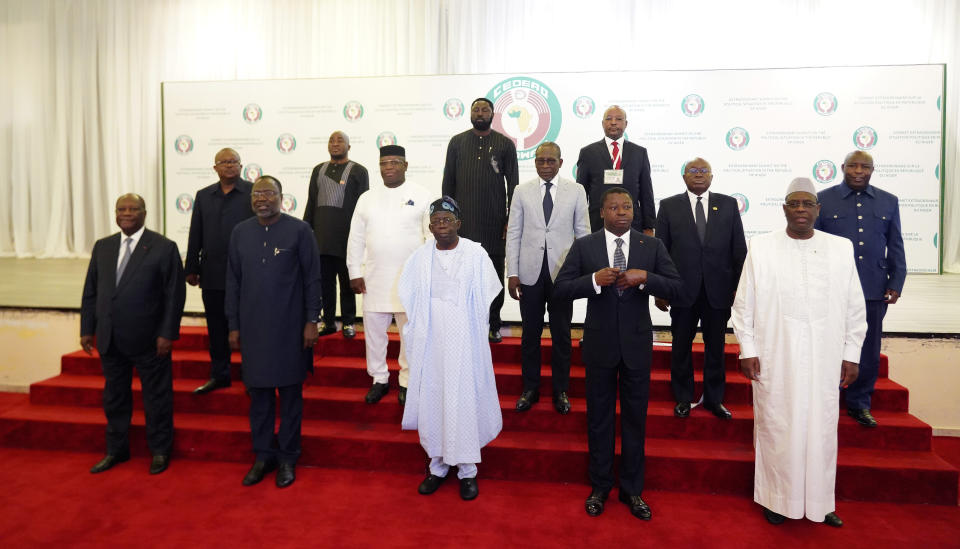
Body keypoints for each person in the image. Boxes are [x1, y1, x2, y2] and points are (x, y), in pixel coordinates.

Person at [732, 177, 867, 527]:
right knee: (777, 425)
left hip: (825, 356)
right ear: (785, 209)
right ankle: (777, 500)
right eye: (795, 203)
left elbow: (854, 304)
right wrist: (747, 348)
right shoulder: (761, 247)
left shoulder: (841, 247)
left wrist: (852, 352)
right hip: (776, 354)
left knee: (822, 428)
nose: (802, 209)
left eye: (808, 203)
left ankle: (822, 503)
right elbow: (744, 303)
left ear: (818, 209)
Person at [554, 187, 683, 520]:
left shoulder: (650, 245)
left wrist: (647, 278)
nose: (622, 212)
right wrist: (593, 281)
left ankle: (632, 490)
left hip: (637, 348)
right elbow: (561, 290)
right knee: (599, 421)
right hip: (599, 346)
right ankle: (600, 487)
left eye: (627, 206)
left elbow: (677, 287)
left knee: (635, 421)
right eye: (615, 207)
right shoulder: (585, 246)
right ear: (602, 212)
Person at [399, 197, 503, 501]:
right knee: (435, 398)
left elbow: (487, 294)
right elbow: (410, 296)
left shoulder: (475, 254)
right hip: (431, 340)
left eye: (447, 219)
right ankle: (438, 466)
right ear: (430, 227)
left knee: (463, 400)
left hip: (465, 339)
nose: (441, 225)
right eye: (436, 221)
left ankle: (468, 470)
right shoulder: (419, 257)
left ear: (459, 223)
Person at [226, 175, 321, 488]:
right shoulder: (240, 233)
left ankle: (288, 458)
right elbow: (233, 283)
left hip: (291, 330)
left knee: (291, 397)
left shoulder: (300, 230)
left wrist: (311, 321)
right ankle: (263, 456)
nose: (261, 199)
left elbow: (312, 280)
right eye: (256, 194)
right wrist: (234, 325)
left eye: (268, 193)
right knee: (260, 398)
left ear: (282, 197)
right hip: (253, 330)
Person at [81, 194, 186, 475]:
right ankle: (116, 450)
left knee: (157, 398)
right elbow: (91, 291)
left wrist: (167, 333)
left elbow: (174, 296)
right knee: (114, 398)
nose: (127, 213)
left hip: (150, 340)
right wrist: (87, 328)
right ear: (115, 213)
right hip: (110, 338)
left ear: (144, 213)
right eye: (121, 209)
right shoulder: (103, 246)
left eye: (133, 209)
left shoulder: (163, 247)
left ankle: (160, 451)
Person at [814, 151, 906, 428]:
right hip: (831, 288)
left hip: (872, 286)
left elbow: (896, 244)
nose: (858, 171)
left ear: (872, 170)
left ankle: (858, 403)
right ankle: (825, 399)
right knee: (826, 343)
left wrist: (896, 281)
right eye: (852, 165)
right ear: (842, 168)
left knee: (867, 347)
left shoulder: (889, 201)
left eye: (864, 166)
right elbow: (813, 245)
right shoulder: (822, 199)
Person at [655, 158, 747, 419]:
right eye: (692, 171)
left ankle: (714, 399)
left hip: (718, 291)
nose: (698, 175)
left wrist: (738, 288)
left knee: (715, 347)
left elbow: (738, 250)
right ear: (684, 176)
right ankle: (683, 397)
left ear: (712, 176)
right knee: (681, 346)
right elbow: (660, 251)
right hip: (682, 290)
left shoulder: (728, 204)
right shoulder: (669, 205)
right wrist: (661, 289)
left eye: (703, 170)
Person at [505, 142, 589, 414]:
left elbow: (583, 234)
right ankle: (530, 388)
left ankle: (560, 389)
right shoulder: (521, 191)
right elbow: (514, 233)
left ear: (561, 163)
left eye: (550, 161)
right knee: (530, 334)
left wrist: (580, 274)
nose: (544, 165)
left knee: (562, 335)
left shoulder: (576, 191)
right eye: (540, 160)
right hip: (529, 274)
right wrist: (513, 273)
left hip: (563, 275)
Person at [347, 145, 432, 406]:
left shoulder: (422, 194)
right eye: (385, 163)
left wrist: (427, 273)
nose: (390, 167)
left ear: (406, 165)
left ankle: (406, 381)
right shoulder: (366, 198)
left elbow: (430, 237)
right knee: (374, 333)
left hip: (410, 279)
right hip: (374, 277)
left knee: (410, 334)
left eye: (395, 162)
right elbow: (356, 238)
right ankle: (379, 379)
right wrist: (354, 271)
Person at [441, 97, 519, 343]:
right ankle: (464, 323)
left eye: (485, 109)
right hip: (462, 225)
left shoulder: (505, 144)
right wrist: (448, 218)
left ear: (493, 114)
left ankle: (493, 324)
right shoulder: (457, 142)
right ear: (470, 113)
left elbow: (513, 185)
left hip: (494, 224)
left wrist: (510, 219)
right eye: (476, 109)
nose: (480, 112)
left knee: (493, 276)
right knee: (462, 275)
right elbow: (448, 183)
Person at [185, 148, 254, 394]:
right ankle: (220, 374)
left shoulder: (252, 193)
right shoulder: (204, 196)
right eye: (224, 162)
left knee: (248, 326)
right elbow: (196, 233)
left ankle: (252, 376)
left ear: (241, 165)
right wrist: (191, 267)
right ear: (215, 167)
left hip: (246, 274)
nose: (229, 166)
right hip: (212, 273)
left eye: (234, 161)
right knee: (216, 327)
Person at [303, 131, 369, 339]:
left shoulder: (359, 171)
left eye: (340, 140)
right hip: (321, 238)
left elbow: (364, 206)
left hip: (348, 238)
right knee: (325, 283)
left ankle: (349, 322)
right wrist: (306, 231)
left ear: (349, 146)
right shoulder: (318, 170)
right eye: (331, 140)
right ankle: (329, 322)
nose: (335, 143)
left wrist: (362, 234)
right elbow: (311, 203)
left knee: (347, 283)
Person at [575, 105, 656, 235]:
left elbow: (646, 193)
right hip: (596, 224)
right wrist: (579, 227)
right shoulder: (588, 153)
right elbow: (581, 194)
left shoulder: (639, 152)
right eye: (608, 119)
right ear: (602, 123)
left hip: (633, 224)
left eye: (618, 119)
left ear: (626, 124)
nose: (613, 122)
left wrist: (649, 226)